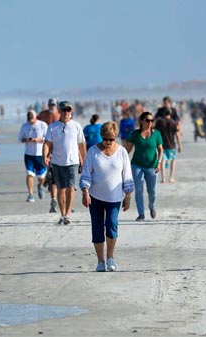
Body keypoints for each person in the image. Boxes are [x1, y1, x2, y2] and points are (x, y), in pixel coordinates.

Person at [80, 121, 134, 272]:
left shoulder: (122, 152)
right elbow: (86, 173)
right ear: (101, 136)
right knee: (97, 229)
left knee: (111, 225)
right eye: (105, 139)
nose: (108, 142)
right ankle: (100, 261)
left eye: (111, 139)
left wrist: (128, 196)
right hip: (95, 197)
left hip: (115, 197)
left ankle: (110, 258)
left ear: (116, 137)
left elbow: (127, 175)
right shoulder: (93, 151)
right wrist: (85, 192)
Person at [43, 101, 87, 224]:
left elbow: (82, 145)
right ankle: (62, 214)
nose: (66, 112)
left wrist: (84, 161)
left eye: (69, 110)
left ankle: (67, 214)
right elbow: (47, 143)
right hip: (57, 162)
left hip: (73, 162)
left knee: (71, 188)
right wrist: (45, 156)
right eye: (64, 110)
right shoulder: (52, 126)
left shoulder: (76, 126)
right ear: (60, 111)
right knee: (61, 189)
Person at [125, 112, 163, 221]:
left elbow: (160, 149)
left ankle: (151, 206)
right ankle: (141, 213)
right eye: (147, 120)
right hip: (137, 165)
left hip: (152, 166)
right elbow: (127, 149)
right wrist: (120, 161)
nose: (150, 122)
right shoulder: (135, 134)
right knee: (139, 189)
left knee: (152, 191)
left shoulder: (156, 134)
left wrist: (159, 162)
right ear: (142, 121)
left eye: (152, 120)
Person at [19, 110, 48, 202]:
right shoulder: (24, 126)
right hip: (29, 154)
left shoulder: (42, 125)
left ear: (35, 117)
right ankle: (30, 194)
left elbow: (48, 139)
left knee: (41, 176)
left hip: (40, 154)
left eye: (31, 119)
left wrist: (38, 140)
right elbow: (20, 139)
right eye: (29, 119)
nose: (30, 121)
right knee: (29, 174)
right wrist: (27, 140)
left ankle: (40, 186)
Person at [37, 98, 61, 213]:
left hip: (58, 146)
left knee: (56, 173)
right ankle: (54, 199)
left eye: (53, 104)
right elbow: (35, 123)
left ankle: (59, 200)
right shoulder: (43, 114)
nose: (52, 106)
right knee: (50, 171)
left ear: (56, 105)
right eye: (50, 104)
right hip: (46, 144)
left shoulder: (60, 114)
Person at [155, 109, 182, 183]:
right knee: (173, 160)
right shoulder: (174, 122)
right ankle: (171, 177)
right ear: (170, 114)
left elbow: (155, 132)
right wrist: (180, 145)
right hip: (171, 145)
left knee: (162, 161)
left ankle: (163, 179)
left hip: (161, 145)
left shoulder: (159, 122)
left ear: (164, 114)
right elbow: (177, 135)